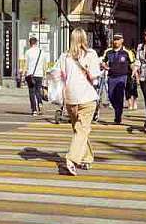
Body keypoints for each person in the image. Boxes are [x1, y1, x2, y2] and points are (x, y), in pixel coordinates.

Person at [57, 28, 101, 175]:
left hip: (70, 98)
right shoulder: (91, 54)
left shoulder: (64, 56)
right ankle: (71, 159)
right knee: (82, 130)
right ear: (84, 38)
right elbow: (95, 78)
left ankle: (87, 158)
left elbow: (59, 75)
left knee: (79, 129)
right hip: (87, 96)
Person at [101, 34, 134, 124]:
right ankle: (117, 109)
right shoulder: (108, 52)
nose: (116, 41)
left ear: (122, 40)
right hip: (111, 77)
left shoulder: (127, 52)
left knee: (119, 96)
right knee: (111, 96)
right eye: (115, 39)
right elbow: (103, 61)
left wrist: (134, 71)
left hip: (122, 77)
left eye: (118, 39)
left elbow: (132, 63)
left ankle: (118, 116)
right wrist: (105, 66)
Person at [19, 37, 46, 116]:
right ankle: (40, 103)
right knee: (38, 90)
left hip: (30, 75)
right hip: (39, 75)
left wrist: (23, 75)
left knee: (31, 92)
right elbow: (45, 65)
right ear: (36, 43)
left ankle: (34, 110)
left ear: (29, 43)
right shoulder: (42, 52)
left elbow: (26, 65)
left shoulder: (28, 52)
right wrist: (44, 75)